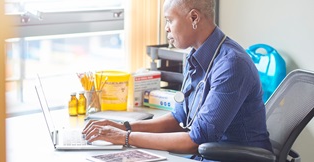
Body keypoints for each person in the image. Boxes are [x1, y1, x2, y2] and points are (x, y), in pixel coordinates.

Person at [83, 0, 273, 158]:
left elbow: (195, 141)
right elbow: (178, 118)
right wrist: (122, 126)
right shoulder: (195, 56)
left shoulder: (232, 65)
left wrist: (125, 137)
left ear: (194, 18)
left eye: (169, 20)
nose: (166, 28)